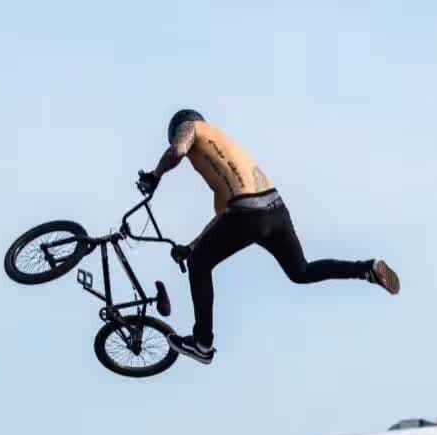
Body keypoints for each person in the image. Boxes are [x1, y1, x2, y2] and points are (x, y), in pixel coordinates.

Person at [138, 109, 400, 365]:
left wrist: (154, 176)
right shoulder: (226, 153)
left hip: (249, 213)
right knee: (301, 271)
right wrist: (190, 247)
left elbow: (177, 151)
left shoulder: (193, 127)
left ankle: (202, 343)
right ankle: (367, 269)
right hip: (275, 210)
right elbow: (223, 222)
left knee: (198, 264)